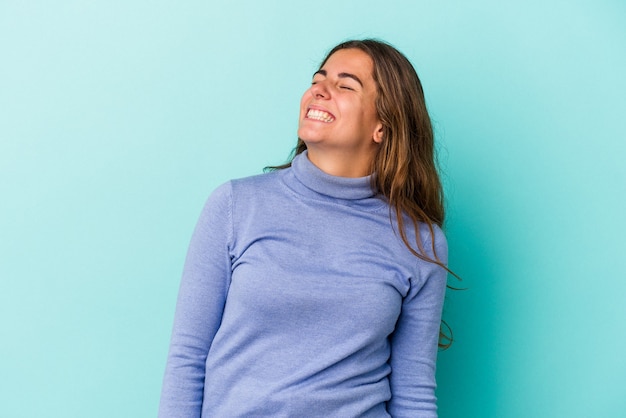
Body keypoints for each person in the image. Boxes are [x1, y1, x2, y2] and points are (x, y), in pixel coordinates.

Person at [159, 39, 450, 417]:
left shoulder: (419, 242)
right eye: (318, 78)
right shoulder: (235, 205)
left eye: (345, 85)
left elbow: (413, 393)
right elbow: (187, 357)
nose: (319, 89)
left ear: (383, 125)